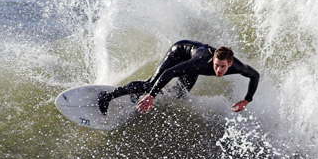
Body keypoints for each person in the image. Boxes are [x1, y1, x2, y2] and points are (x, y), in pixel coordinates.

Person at [97, 40, 260, 115]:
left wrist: (247, 100)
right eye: (216, 65)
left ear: (230, 64)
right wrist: (152, 95)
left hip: (193, 62)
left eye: (222, 66)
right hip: (180, 52)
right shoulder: (202, 62)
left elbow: (255, 76)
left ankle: (136, 95)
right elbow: (170, 73)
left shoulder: (238, 67)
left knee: (180, 94)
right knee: (150, 84)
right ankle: (107, 96)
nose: (217, 69)